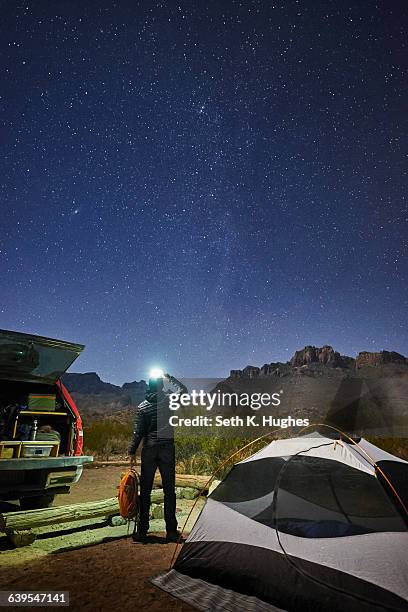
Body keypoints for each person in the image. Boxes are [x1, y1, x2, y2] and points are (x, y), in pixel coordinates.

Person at [127, 371, 187, 542]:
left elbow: (138, 432)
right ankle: (171, 532)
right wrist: (171, 378)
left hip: (150, 450)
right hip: (167, 449)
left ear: (148, 386)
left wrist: (132, 451)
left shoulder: (142, 407)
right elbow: (184, 391)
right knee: (169, 491)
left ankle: (143, 530)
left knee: (145, 491)